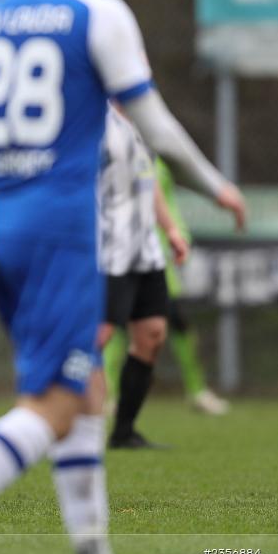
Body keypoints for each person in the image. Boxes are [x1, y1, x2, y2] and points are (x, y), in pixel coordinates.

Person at [0, 0, 246, 554]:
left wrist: (1, 181)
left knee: (84, 391)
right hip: (61, 231)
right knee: (53, 403)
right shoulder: (98, 13)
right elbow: (155, 128)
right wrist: (216, 186)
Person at [103, 158, 231, 416]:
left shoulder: (157, 164)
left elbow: (166, 202)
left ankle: (197, 391)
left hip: (159, 259)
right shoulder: (105, 153)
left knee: (176, 323)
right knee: (114, 327)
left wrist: (178, 232)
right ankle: (109, 396)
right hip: (120, 256)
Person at [97, 105, 190, 449]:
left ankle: (123, 432)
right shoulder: (92, 119)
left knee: (152, 334)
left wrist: (171, 229)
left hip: (147, 252)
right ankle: (50, 418)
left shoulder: (142, 122)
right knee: (97, 335)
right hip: (109, 251)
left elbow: (149, 184)